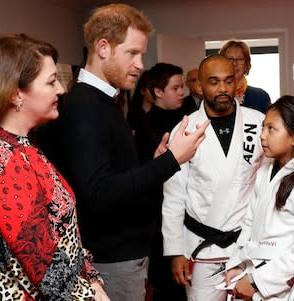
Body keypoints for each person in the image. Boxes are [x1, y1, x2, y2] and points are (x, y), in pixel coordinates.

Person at [38, 4, 210, 301]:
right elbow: (98, 192)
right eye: (132, 53)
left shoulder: (105, 102)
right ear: (103, 48)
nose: (140, 64)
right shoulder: (85, 107)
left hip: (121, 255)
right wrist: (171, 161)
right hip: (111, 259)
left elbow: (114, 173)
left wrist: (154, 162)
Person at [0, 33, 109, 300]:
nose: (61, 89)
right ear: (16, 94)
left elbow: (63, 236)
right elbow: (46, 267)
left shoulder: (23, 147)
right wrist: (92, 294)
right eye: (51, 82)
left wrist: (92, 278)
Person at [162, 54, 266, 301]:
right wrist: (175, 251)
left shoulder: (258, 123)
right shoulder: (185, 129)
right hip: (201, 245)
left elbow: (269, 183)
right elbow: (174, 195)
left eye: (228, 81)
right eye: (214, 81)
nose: (222, 88)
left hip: (246, 245)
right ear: (199, 86)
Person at [223, 96, 294, 301]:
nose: (262, 136)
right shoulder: (266, 168)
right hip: (252, 268)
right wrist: (237, 264)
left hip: (281, 283)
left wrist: (256, 281)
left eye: (271, 129)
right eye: (263, 128)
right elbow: (249, 223)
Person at [134, 62, 187, 301]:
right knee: (169, 285)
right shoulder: (146, 129)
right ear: (158, 92)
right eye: (175, 88)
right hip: (159, 218)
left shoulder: (187, 117)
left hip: (189, 213)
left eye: (182, 87)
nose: (182, 93)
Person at [219, 40, 271, 113]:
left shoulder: (260, 97)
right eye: (230, 59)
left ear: (246, 64)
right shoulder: (214, 96)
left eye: (240, 59)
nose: (234, 63)